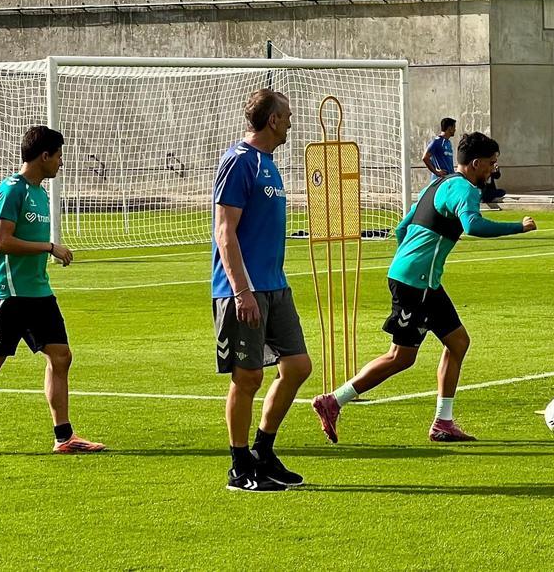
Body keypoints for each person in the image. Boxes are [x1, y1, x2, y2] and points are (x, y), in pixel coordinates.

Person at [312, 132, 536, 443]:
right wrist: (517, 227)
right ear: (475, 164)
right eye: (491, 164)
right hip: (416, 283)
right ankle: (332, 401)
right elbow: (473, 225)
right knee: (400, 357)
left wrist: (410, 262)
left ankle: (443, 423)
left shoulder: (437, 183)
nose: (493, 171)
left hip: (420, 280)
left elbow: (402, 227)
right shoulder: (466, 189)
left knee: (457, 342)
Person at [0, 126, 105, 459]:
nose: (61, 163)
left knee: (61, 356)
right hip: (8, 293)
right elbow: (2, 241)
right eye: (59, 155)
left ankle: (63, 436)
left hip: (38, 292)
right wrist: (49, 247)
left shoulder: (41, 193)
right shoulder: (12, 190)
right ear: (44, 156)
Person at [212, 89, 312, 492]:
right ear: (272, 120)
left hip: (275, 285)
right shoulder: (239, 162)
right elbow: (225, 232)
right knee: (248, 376)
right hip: (243, 291)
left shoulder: (269, 164)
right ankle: (239, 467)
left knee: (298, 366)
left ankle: (264, 452)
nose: (291, 121)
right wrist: (242, 292)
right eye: (287, 115)